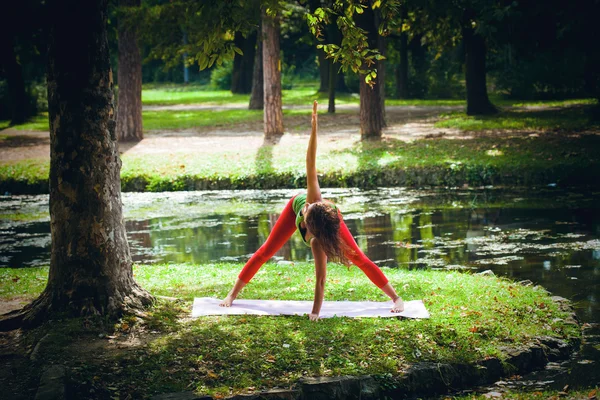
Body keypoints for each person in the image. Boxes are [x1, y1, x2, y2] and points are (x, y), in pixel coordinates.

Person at [220, 101, 404, 320]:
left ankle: (396, 297)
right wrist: (314, 126)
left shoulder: (318, 241)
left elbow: (320, 280)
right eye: (311, 205)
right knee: (265, 251)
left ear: (307, 225)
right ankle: (232, 294)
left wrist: (315, 313)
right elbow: (311, 161)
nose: (309, 205)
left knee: (358, 258)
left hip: (330, 221)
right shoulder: (311, 200)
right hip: (297, 209)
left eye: (308, 209)